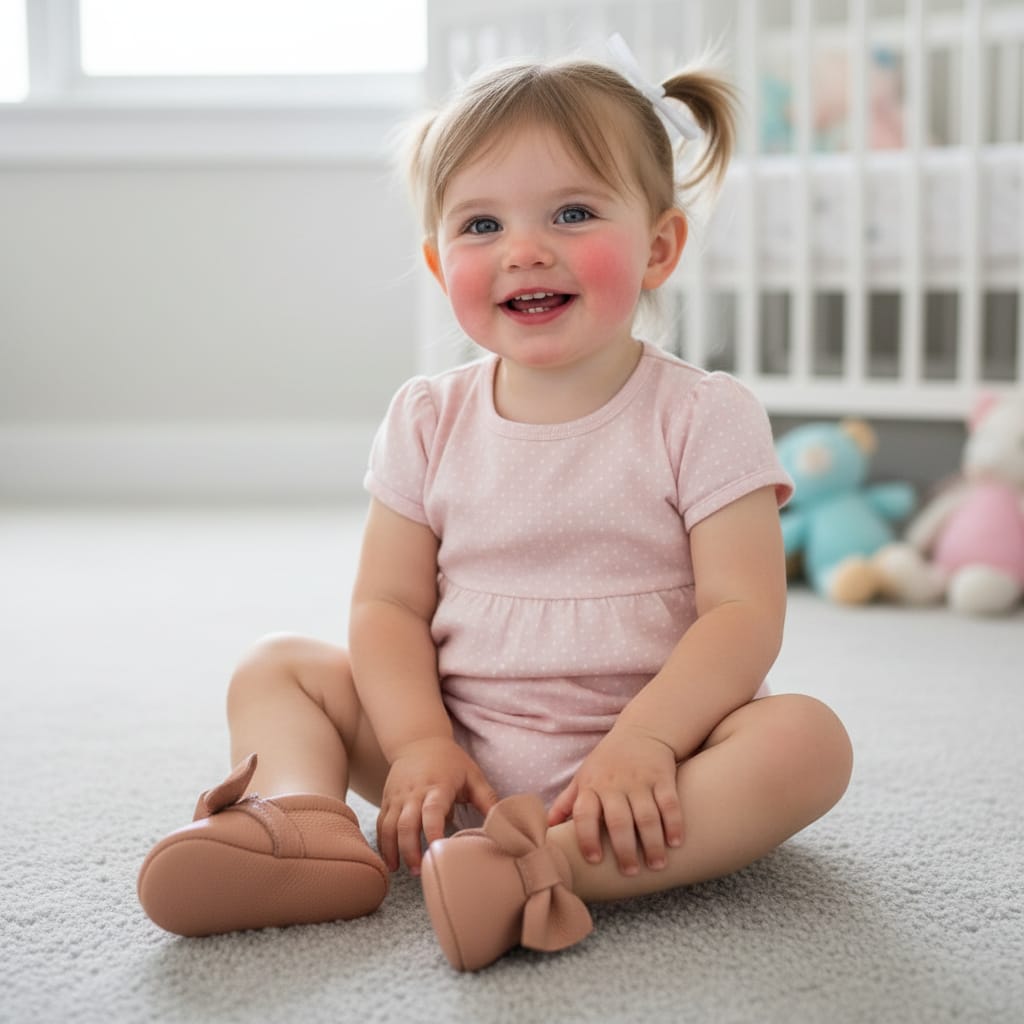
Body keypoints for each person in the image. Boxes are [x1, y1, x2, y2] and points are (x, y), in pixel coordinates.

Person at [137, 39, 853, 972]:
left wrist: (645, 742)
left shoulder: (705, 415)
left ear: (660, 247)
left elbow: (743, 611)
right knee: (280, 668)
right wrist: (420, 745)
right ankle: (305, 828)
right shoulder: (427, 417)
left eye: (572, 212)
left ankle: (546, 871)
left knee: (807, 742)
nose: (524, 250)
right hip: (450, 758)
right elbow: (388, 608)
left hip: (643, 771)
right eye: (481, 226)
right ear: (440, 266)